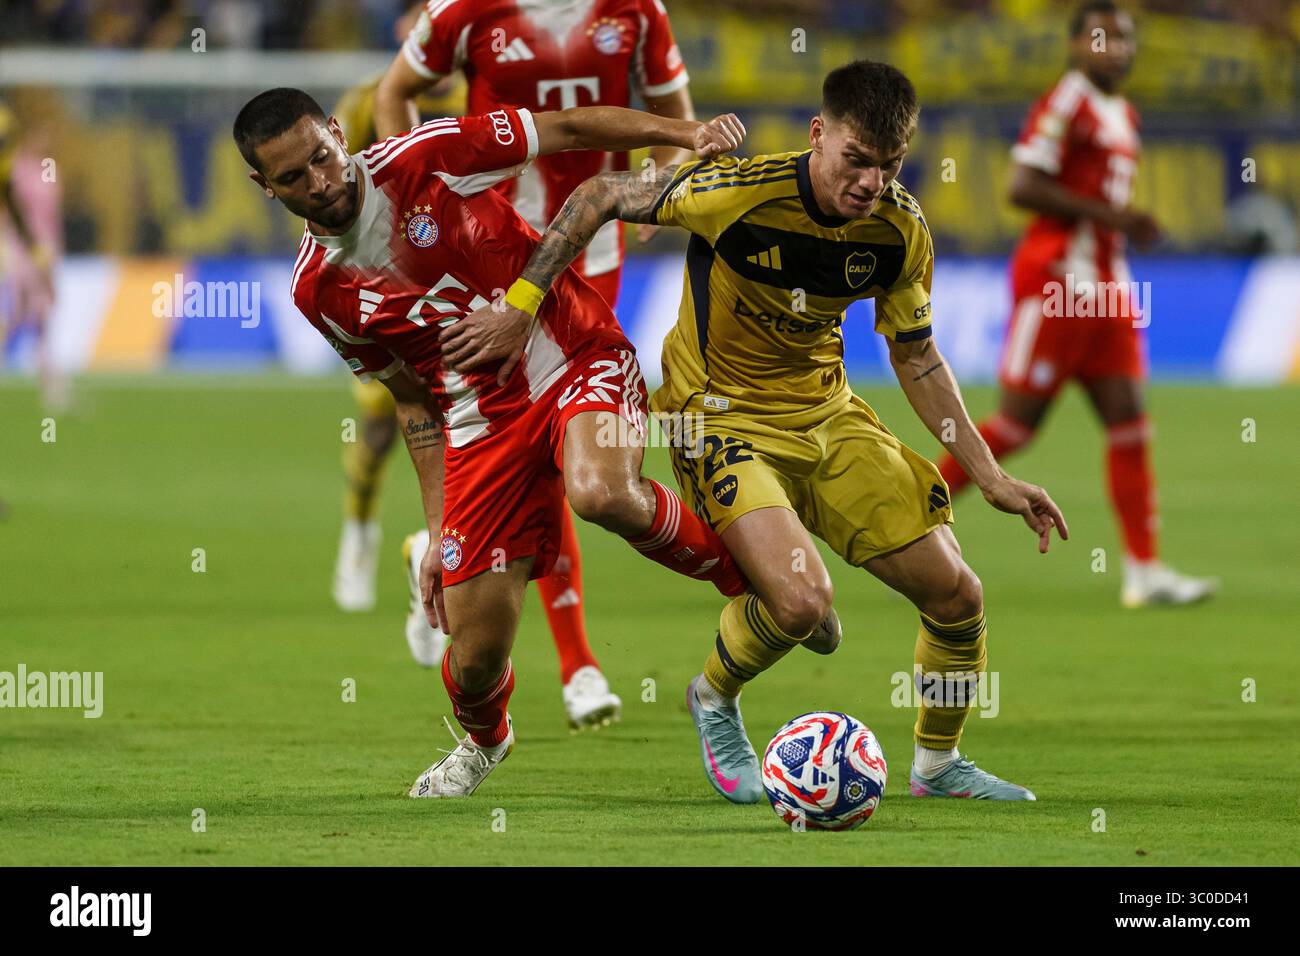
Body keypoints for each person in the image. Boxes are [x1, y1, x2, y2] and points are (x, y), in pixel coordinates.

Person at [442, 61, 1069, 804]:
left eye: (889, 164)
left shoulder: (901, 232)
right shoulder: (738, 192)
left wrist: (991, 476)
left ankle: (937, 766)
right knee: (801, 604)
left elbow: (917, 354)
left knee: (958, 593)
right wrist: (522, 303)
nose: (871, 182)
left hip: (827, 416)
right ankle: (713, 695)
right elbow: (600, 193)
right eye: (856, 160)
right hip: (718, 416)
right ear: (818, 135)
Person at [233, 87, 749, 797]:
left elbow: (566, 126)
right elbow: (413, 403)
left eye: (322, 157)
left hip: (570, 353)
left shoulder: (428, 158)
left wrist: (685, 133)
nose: (318, 183)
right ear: (264, 186)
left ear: (334, 132)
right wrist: (438, 526)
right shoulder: (317, 292)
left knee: (598, 490)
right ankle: (485, 740)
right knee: (472, 661)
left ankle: (751, 587)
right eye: (292, 178)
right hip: (480, 425)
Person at [370, 0, 701, 723]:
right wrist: (407, 203)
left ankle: (444, 544)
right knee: (541, 456)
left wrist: (657, 184)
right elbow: (393, 93)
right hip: (490, 256)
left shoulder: (637, 10)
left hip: (597, 250)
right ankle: (579, 664)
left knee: (570, 450)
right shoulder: (463, 11)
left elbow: (676, 111)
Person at [934, 0, 1216, 609]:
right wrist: (1114, 216)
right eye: (1102, 37)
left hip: (1108, 287)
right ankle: (905, 517)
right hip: (1058, 283)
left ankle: (1144, 569)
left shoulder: (1121, 110)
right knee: (1014, 426)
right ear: (1075, 46)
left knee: (1131, 424)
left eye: (1125, 38)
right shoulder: (1067, 102)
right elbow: (1020, 184)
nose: (1117, 48)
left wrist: (1116, 229)